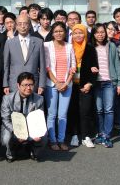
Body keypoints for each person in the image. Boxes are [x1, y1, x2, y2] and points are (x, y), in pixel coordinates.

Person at [43, 22, 75, 151]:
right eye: (56, 31)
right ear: (52, 33)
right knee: (52, 114)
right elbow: (47, 67)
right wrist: (57, 82)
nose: (58, 33)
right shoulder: (47, 46)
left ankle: (61, 140)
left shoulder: (69, 46)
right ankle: (52, 140)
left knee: (63, 114)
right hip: (52, 84)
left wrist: (66, 83)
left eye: (61, 31)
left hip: (67, 84)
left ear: (65, 32)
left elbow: (73, 66)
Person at [0, 72, 46, 162]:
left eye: (31, 85)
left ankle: (33, 152)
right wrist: (18, 132)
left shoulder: (39, 99)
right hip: (13, 127)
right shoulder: (7, 99)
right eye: (25, 85)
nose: (28, 88)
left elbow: (39, 120)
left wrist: (36, 132)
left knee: (44, 136)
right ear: (18, 85)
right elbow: (5, 120)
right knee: (6, 138)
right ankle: (10, 154)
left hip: (31, 127)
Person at [91, 23, 120, 148]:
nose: (100, 34)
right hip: (96, 83)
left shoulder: (111, 46)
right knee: (99, 110)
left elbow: (117, 64)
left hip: (109, 82)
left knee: (109, 109)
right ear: (94, 34)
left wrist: (119, 83)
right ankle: (100, 133)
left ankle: (107, 136)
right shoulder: (90, 47)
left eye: (102, 32)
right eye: (97, 32)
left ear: (105, 33)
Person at [67, 24, 98, 148]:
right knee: (73, 110)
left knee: (85, 111)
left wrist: (90, 83)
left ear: (85, 34)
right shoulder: (69, 48)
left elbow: (95, 68)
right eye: (75, 33)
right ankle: (74, 135)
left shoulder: (90, 48)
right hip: (71, 84)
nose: (78, 35)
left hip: (85, 85)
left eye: (80, 33)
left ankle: (86, 136)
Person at [3, 15, 46, 95]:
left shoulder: (38, 42)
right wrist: (5, 84)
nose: (22, 26)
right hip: (14, 84)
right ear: (16, 26)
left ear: (29, 25)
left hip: (33, 84)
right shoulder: (9, 43)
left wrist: (42, 85)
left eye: (25, 23)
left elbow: (42, 66)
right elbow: (6, 66)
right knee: (16, 107)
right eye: (20, 24)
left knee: (33, 107)